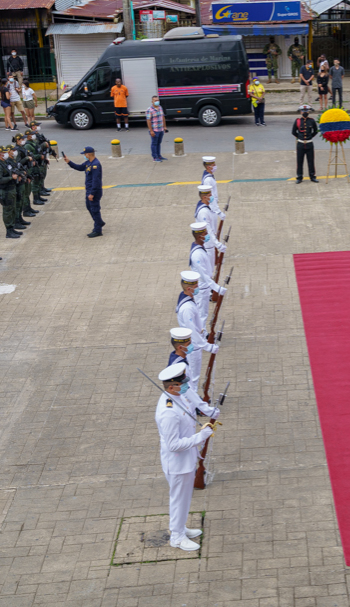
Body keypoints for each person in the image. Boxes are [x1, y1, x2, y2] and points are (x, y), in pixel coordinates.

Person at [154, 361, 217, 552]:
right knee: (179, 499)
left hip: (186, 460)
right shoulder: (168, 411)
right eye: (182, 383)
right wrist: (200, 437)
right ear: (172, 387)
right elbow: (173, 445)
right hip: (178, 464)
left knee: (184, 499)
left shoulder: (177, 397)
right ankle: (177, 537)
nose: (185, 385)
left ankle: (180, 528)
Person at [189, 222, 226, 330]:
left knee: (202, 313)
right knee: (202, 314)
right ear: (200, 236)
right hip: (201, 287)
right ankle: (202, 336)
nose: (207, 235)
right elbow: (204, 274)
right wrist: (216, 288)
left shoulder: (199, 247)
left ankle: (203, 334)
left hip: (203, 285)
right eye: (206, 233)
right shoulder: (197, 254)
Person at [65, 147, 105, 237]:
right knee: (89, 206)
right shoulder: (88, 163)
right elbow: (79, 167)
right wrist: (68, 162)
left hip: (94, 191)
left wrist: (92, 193)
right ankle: (99, 221)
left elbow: (96, 181)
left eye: (84, 154)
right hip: (89, 190)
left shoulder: (95, 165)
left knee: (95, 209)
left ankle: (98, 230)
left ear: (88, 154)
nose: (84, 155)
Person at [0, 147, 21, 239]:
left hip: (11, 189)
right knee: (8, 211)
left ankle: (12, 228)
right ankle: (8, 231)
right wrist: (12, 178)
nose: (6, 154)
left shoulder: (5, 162)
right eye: (4, 153)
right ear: (0, 154)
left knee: (12, 209)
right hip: (6, 191)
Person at [194, 186, 226, 267]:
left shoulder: (204, 206)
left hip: (209, 244)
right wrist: (217, 244)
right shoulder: (203, 212)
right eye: (210, 195)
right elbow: (208, 230)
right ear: (204, 197)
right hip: (207, 245)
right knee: (209, 271)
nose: (212, 197)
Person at [292, 106, 318, 184]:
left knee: (311, 161)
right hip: (300, 144)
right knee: (299, 161)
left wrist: (310, 137)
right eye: (303, 111)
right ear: (301, 112)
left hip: (309, 143)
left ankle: (312, 176)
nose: (305, 113)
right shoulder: (297, 121)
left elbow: (315, 131)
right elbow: (293, 132)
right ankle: (299, 177)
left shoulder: (312, 121)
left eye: (306, 111)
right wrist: (300, 137)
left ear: (308, 112)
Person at [143, 95, 168, 162]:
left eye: (158, 100)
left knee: (158, 143)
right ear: (152, 101)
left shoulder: (160, 107)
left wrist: (164, 127)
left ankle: (159, 155)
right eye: (155, 100)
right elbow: (148, 121)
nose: (157, 102)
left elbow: (162, 117)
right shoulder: (149, 110)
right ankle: (155, 157)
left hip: (161, 129)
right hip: (155, 130)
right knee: (154, 143)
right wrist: (151, 131)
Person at [200, 156, 225, 220]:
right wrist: (218, 212)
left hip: (213, 206)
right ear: (208, 167)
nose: (215, 166)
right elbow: (210, 197)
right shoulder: (208, 180)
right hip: (211, 207)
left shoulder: (209, 175)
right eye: (213, 165)